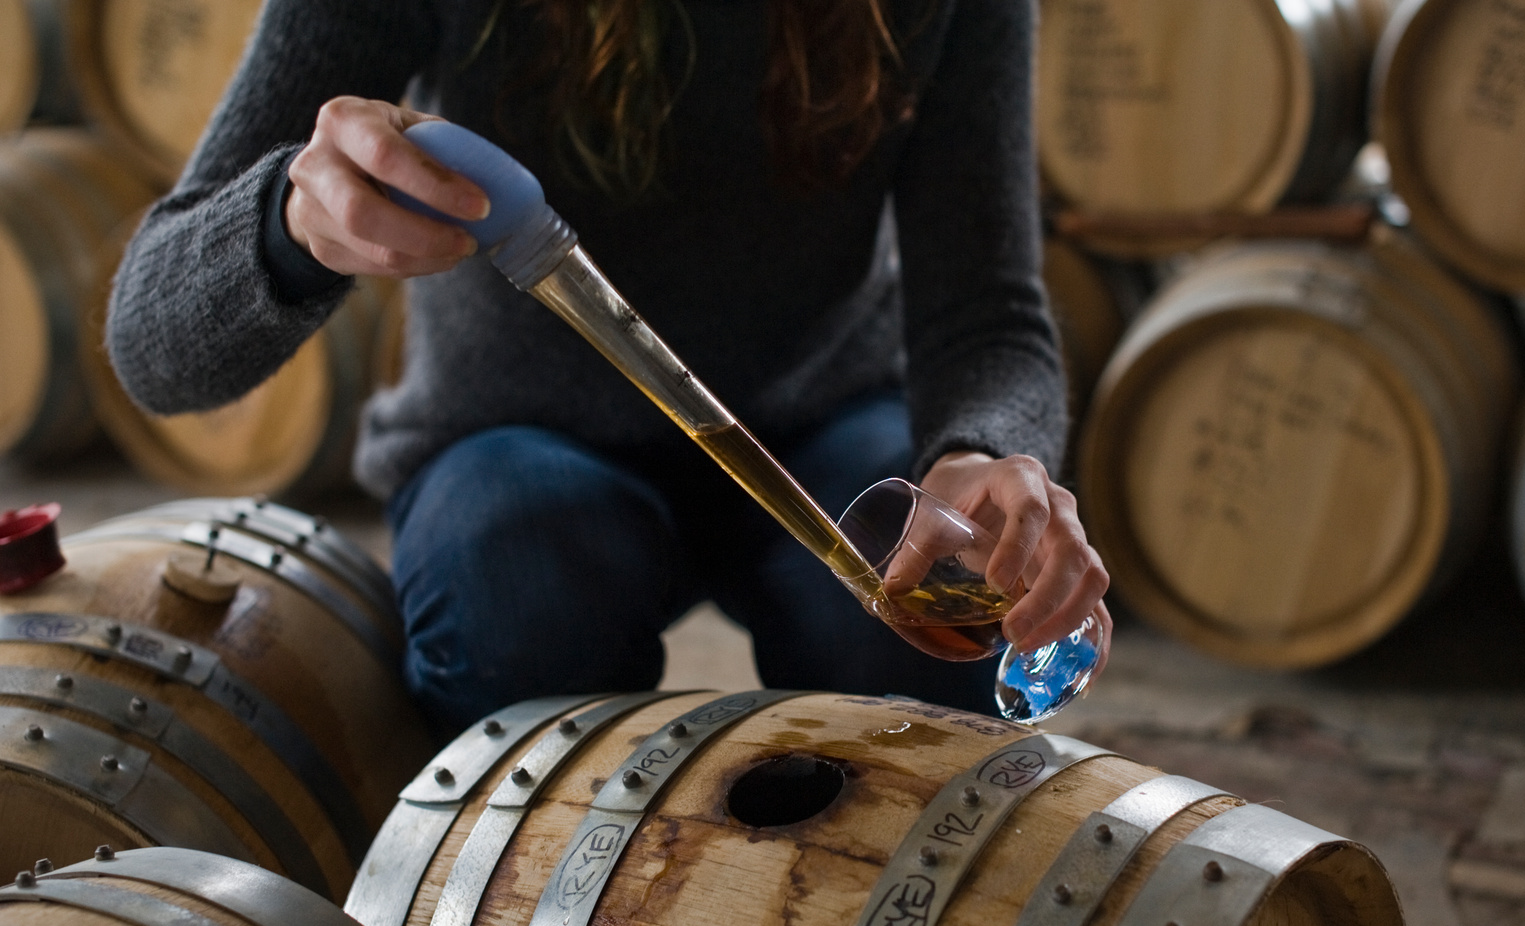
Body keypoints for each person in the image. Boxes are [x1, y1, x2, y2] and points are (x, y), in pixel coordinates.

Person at [107, 0, 1110, 738]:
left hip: (818, 429)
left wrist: (991, 454)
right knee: (520, 589)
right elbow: (153, 346)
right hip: (518, 437)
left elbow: (984, 306)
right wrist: (290, 228)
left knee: (925, 637)